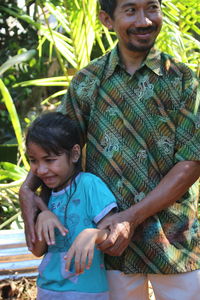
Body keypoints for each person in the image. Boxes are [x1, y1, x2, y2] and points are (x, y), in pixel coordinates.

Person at [20, 0, 200, 299]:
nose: (143, 20)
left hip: (174, 239)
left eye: (152, 8)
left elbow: (192, 162)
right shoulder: (88, 82)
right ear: (106, 19)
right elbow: (55, 144)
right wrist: (27, 188)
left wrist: (130, 217)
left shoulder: (183, 81)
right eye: (130, 11)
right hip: (111, 248)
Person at [25, 112, 117, 300]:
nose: (40, 170)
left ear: (74, 154)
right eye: (33, 161)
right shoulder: (44, 196)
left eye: (49, 160)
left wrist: (93, 234)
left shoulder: (89, 185)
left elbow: (112, 232)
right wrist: (44, 216)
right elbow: (37, 250)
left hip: (87, 292)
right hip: (48, 290)